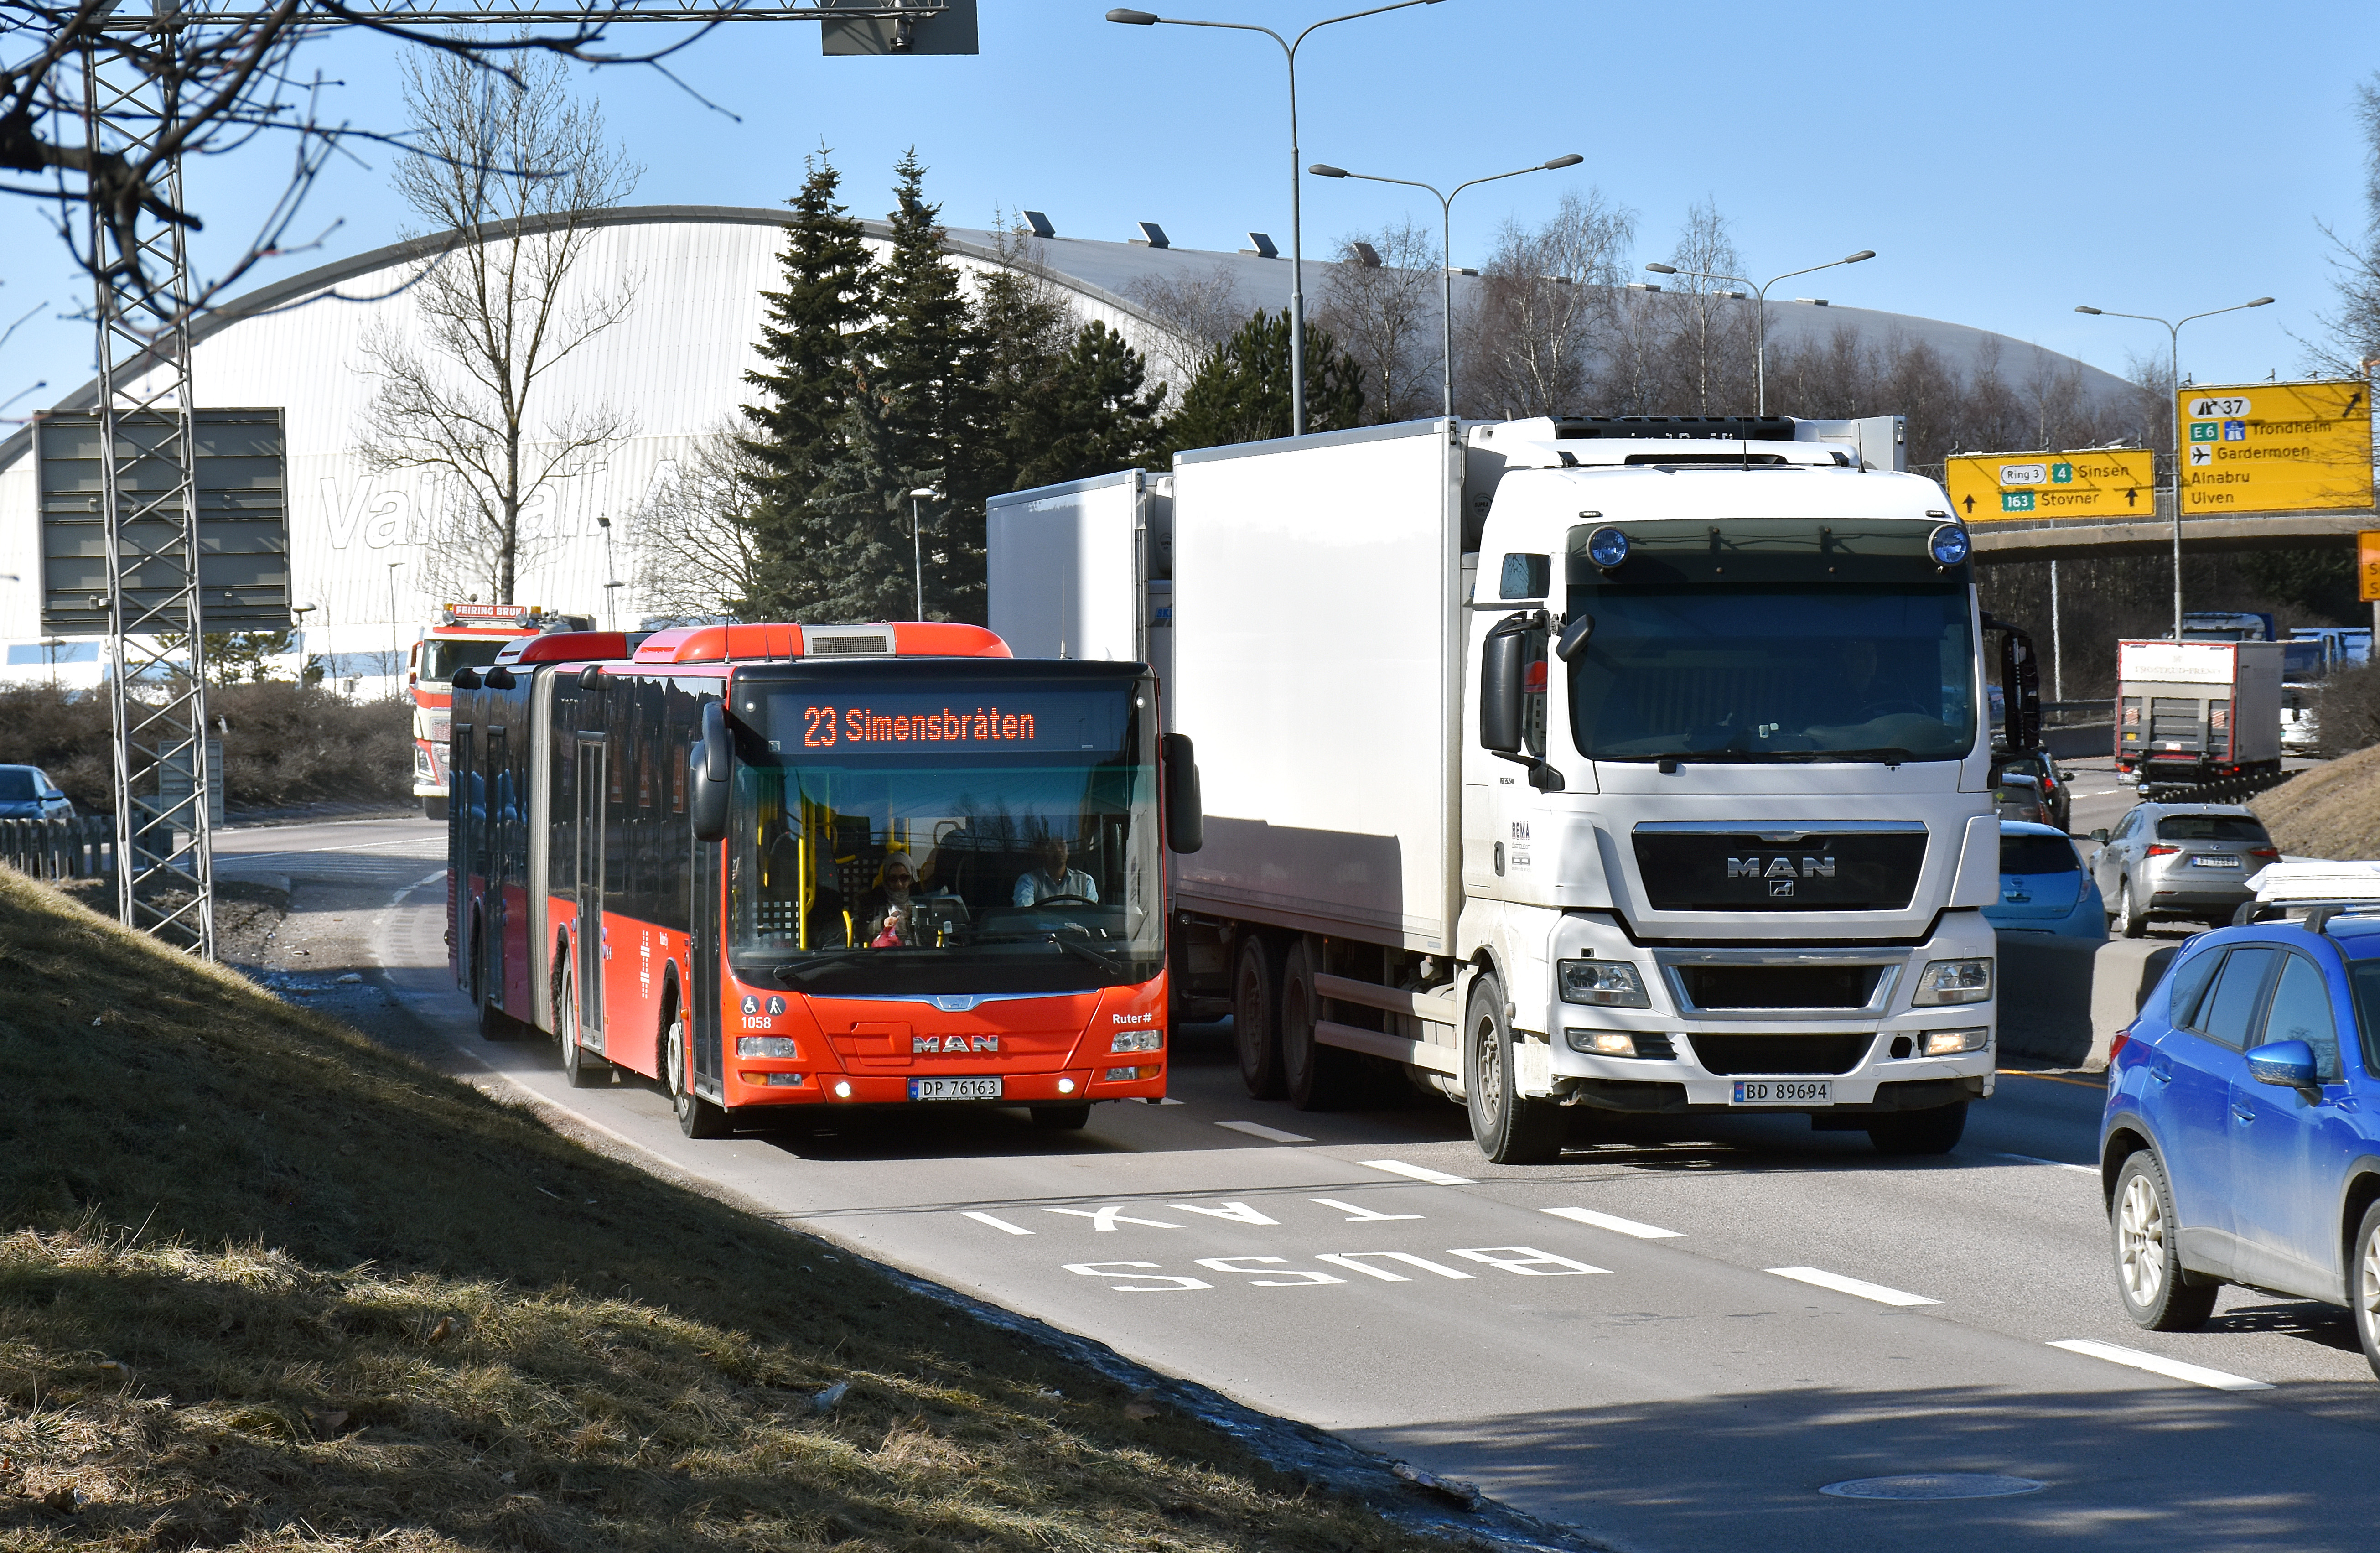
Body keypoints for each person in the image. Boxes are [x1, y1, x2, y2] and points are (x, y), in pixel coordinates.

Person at [1013, 834, 1098, 906]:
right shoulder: (1028, 881)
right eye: (1052, 847)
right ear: (1043, 853)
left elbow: (1092, 918)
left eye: (1062, 845)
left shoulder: (1085, 882)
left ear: (1068, 850)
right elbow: (1026, 915)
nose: (1058, 850)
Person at [857, 849, 918, 947]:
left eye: (904, 878)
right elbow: (862, 933)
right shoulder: (874, 901)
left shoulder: (920, 899)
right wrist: (882, 924)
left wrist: (908, 923)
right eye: (893, 878)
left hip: (918, 956)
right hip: (883, 956)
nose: (899, 884)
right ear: (886, 879)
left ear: (912, 877)